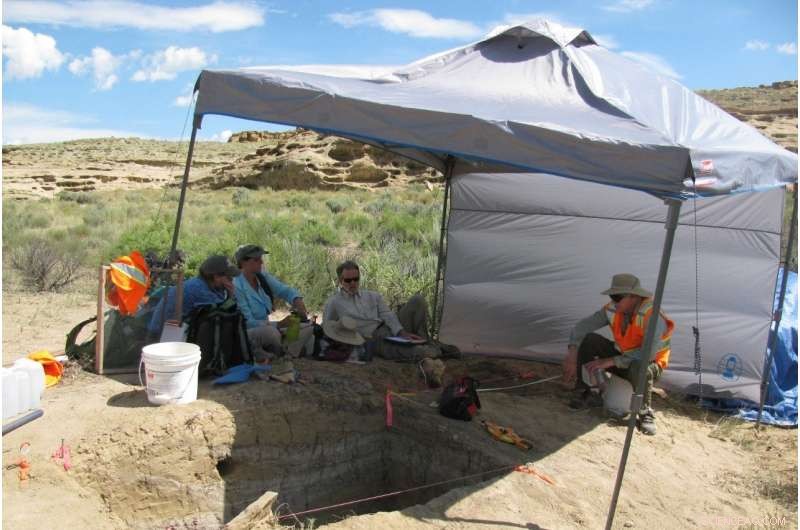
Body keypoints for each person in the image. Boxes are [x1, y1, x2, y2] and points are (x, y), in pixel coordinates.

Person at [562, 273, 674, 436]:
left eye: (617, 297)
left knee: (641, 367)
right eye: (612, 296)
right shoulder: (613, 309)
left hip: (649, 363)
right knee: (590, 340)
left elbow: (648, 354)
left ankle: (644, 413)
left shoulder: (652, 314)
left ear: (634, 297)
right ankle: (588, 392)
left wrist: (611, 360)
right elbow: (582, 327)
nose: (614, 301)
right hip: (622, 358)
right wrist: (572, 355)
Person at [323, 260, 438, 361]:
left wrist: (401, 332)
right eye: (348, 280)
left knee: (417, 300)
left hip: (389, 328)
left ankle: (423, 340)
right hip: (372, 338)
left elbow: (388, 315)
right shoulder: (334, 302)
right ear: (340, 281)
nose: (353, 283)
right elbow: (328, 327)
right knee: (421, 352)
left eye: (356, 279)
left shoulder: (372, 296)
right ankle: (426, 351)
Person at [232, 244, 313, 360]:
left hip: (268, 327)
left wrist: (297, 300)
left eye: (261, 259)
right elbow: (247, 322)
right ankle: (283, 351)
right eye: (256, 259)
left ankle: (284, 352)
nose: (261, 262)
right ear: (243, 262)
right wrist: (278, 324)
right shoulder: (236, 285)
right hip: (249, 332)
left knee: (307, 327)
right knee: (271, 333)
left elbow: (284, 290)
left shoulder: (262, 277)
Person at [147, 254, 240, 336]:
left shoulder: (203, 284)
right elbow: (223, 316)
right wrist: (231, 296)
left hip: (172, 334)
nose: (231, 280)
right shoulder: (200, 290)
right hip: (162, 339)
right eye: (229, 277)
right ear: (216, 277)